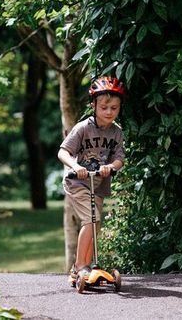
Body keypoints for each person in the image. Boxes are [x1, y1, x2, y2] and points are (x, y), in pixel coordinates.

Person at [57, 76, 126, 283]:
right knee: (91, 220)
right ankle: (80, 267)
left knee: (94, 224)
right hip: (77, 182)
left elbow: (119, 158)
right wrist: (76, 167)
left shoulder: (116, 132)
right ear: (93, 105)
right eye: (104, 107)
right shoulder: (83, 128)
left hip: (98, 184)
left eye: (114, 108)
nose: (109, 112)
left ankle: (85, 265)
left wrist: (110, 167)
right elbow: (63, 152)